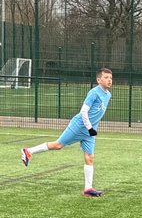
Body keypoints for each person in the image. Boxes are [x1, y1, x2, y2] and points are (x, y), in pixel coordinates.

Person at [21, 67, 114, 197]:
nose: (109, 80)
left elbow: (97, 114)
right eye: (106, 78)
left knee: (90, 157)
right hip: (80, 126)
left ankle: (88, 189)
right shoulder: (94, 93)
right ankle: (28, 151)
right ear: (98, 80)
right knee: (58, 145)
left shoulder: (108, 95)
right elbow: (84, 112)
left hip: (90, 131)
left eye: (110, 78)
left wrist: (93, 129)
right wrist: (89, 128)